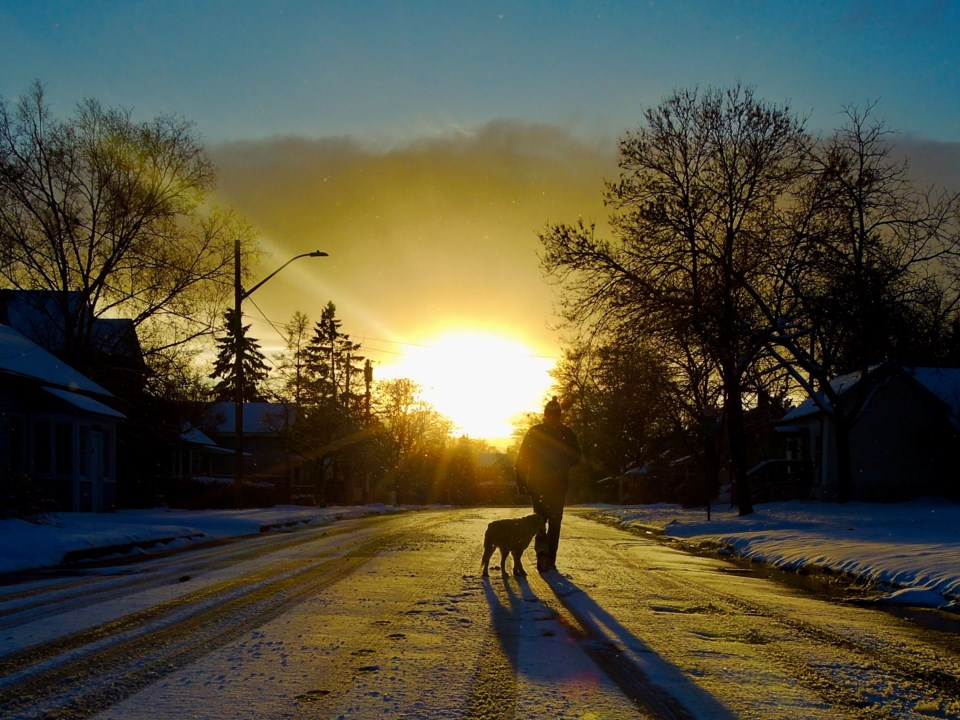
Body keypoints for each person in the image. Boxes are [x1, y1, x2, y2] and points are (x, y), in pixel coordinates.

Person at [515, 396, 581, 573]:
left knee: (540, 519)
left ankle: (543, 552)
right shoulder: (566, 433)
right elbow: (576, 458)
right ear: (560, 414)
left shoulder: (535, 432)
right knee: (555, 521)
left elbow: (522, 458)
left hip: (538, 484)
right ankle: (550, 556)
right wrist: (563, 461)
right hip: (557, 485)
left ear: (545, 414)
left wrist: (521, 481)